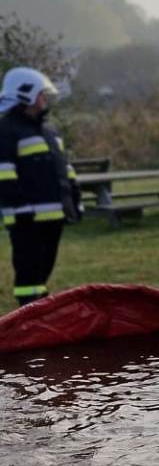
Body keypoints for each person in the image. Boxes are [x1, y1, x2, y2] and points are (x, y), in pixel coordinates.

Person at [0, 66, 82, 307]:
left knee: (44, 269)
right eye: (41, 94)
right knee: (28, 271)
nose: (45, 99)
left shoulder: (49, 130)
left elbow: (64, 167)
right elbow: (3, 175)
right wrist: (21, 208)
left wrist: (74, 198)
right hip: (26, 218)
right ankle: (27, 310)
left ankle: (40, 308)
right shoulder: (6, 130)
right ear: (25, 94)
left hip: (53, 215)